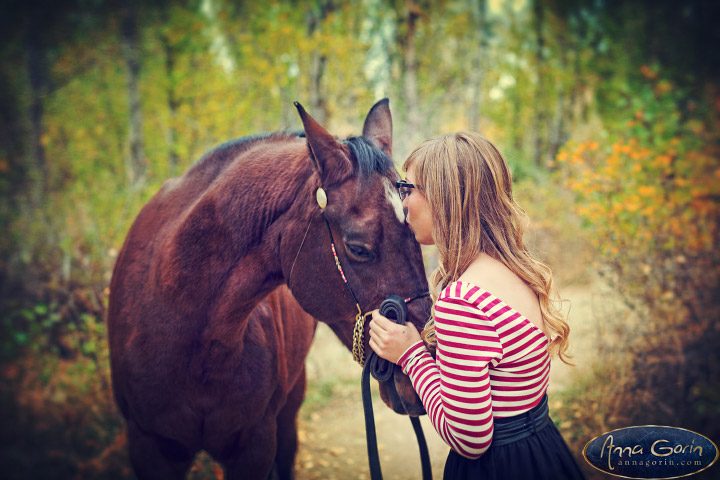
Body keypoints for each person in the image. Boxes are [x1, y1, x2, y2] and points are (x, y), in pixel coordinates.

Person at [369, 132, 585, 480]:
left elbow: (469, 438)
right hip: (541, 451)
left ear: (443, 198)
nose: (403, 203)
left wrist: (410, 354)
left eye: (409, 189)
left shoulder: (464, 300)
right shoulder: (514, 270)